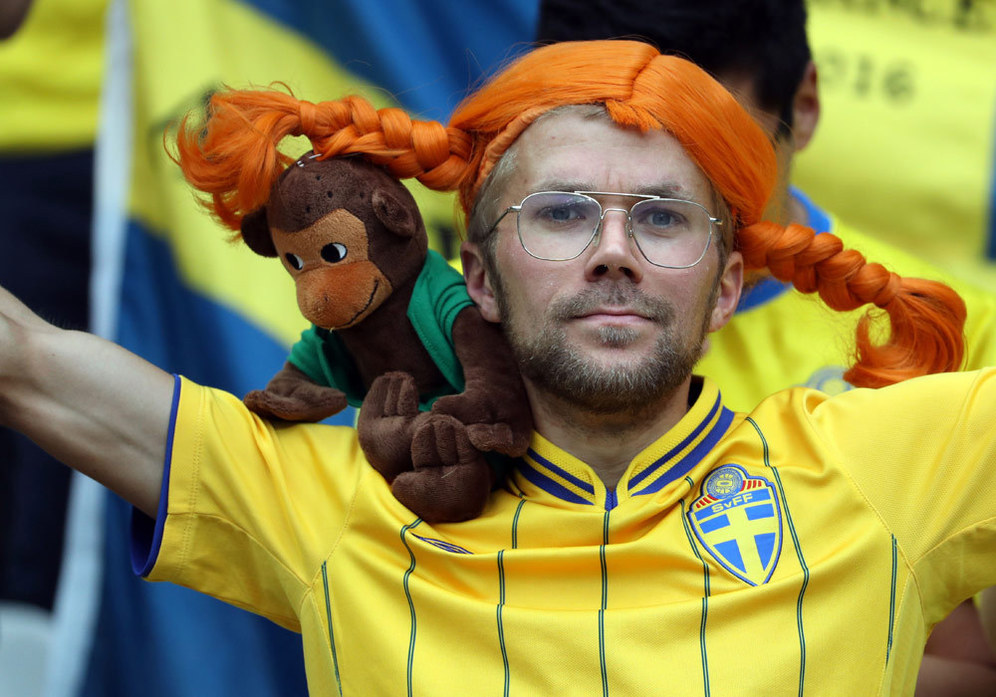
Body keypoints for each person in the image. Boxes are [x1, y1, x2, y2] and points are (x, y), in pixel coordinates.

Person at [1, 40, 992, 696]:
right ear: (474, 276)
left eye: (661, 217)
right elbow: (26, 362)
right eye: (560, 212)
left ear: (728, 285)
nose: (613, 251)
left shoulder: (880, 462)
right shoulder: (339, 497)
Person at [534, 3, 996, 693]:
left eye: (711, 150)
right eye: (581, 184)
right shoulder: (451, 327)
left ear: (801, 108)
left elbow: (969, 669)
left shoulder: (958, 338)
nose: (626, 240)